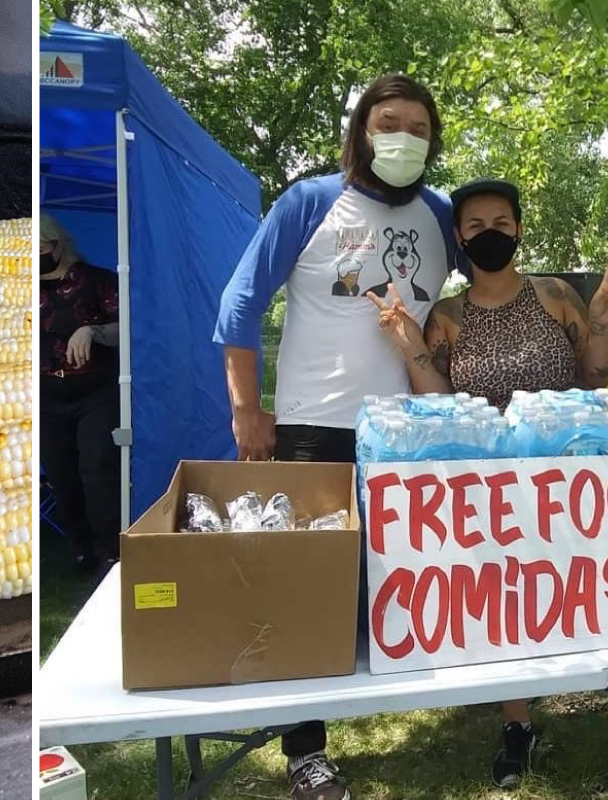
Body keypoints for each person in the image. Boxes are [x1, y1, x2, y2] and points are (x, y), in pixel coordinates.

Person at [367, 177, 608, 788]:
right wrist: (409, 344)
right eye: (475, 227)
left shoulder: (555, 295)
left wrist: (600, 323)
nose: (490, 235)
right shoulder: (447, 316)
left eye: (501, 223)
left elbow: (595, 379)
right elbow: (439, 405)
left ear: (519, 228)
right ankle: (517, 722)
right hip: (494, 489)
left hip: (573, 478)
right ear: (459, 239)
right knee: (509, 599)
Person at [212, 74, 462, 800]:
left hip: (413, 431)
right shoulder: (311, 202)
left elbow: (479, 296)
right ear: (360, 130)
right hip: (314, 429)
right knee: (305, 586)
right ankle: (306, 751)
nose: (403, 138)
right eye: (390, 122)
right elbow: (239, 304)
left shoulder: (442, 216)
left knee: (398, 575)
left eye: (418, 128)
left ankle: (409, 693)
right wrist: (244, 409)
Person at [38, 213, 121, 576]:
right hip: (47, 396)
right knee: (61, 473)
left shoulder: (99, 281)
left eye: (40, 247)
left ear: (59, 244)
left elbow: (127, 328)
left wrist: (92, 331)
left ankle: (110, 551)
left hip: (94, 394)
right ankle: (81, 549)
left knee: (97, 469)